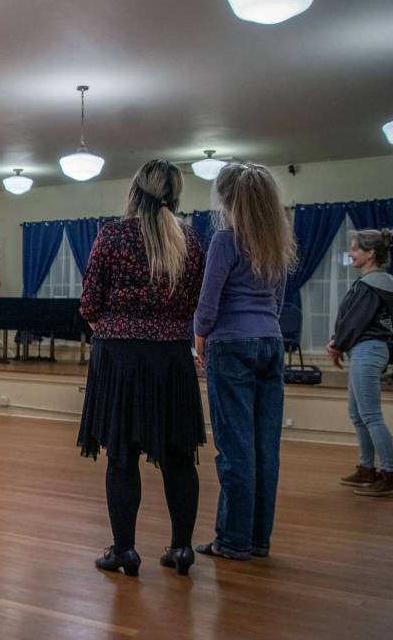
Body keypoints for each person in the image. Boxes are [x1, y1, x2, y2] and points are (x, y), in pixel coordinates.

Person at [77, 159, 206, 577]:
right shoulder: (190, 240)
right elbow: (192, 306)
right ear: (176, 193)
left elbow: (89, 304)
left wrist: (116, 329)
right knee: (179, 459)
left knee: (122, 457)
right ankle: (182, 550)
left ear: (135, 191)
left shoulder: (112, 235)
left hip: (120, 358)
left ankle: (125, 551)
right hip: (172, 358)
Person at [194, 162, 295, 561]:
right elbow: (279, 302)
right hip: (270, 342)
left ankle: (233, 541)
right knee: (265, 448)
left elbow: (208, 302)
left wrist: (199, 339)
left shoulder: (225, 239)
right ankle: (257, 539)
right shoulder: (277, 240)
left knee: (235, 449)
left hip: (231, 345)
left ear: (227, 199)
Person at [328, 229, 393, 497]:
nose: (351, 254)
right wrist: (341, 341)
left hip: (367, 351)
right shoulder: (381, 281)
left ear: (370, 253)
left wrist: (336, 343)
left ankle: (390, 472)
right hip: (367, 351)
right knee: (358, 414)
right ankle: (367, 468)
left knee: (370, 415)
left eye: (355, 249)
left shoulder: (370, 284)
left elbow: (354, 321)